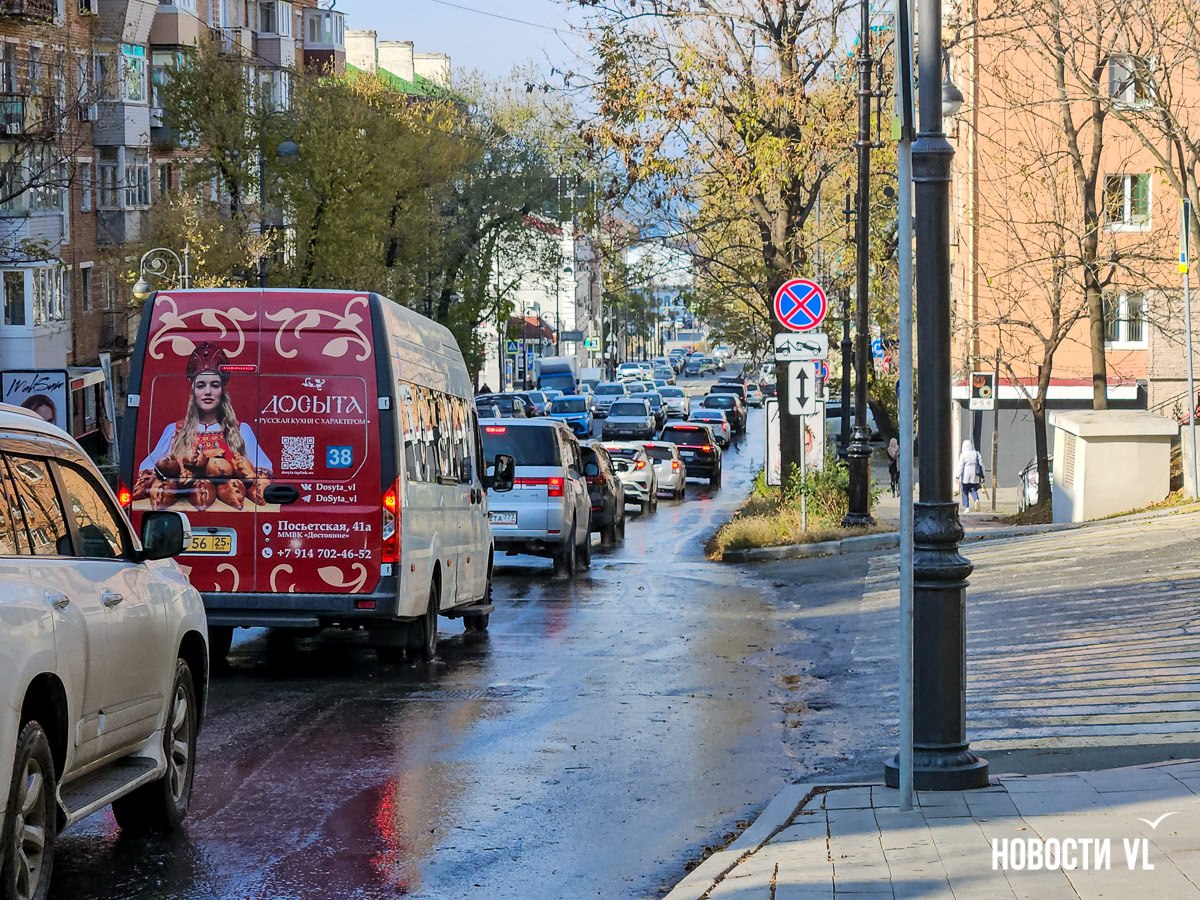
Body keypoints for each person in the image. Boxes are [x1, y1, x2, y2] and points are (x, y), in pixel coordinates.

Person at [134, 342, 272, 510]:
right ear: (193, 391)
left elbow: (263, 469)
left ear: (222, 391)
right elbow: (149, 468)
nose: (208, 392)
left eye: (214, 385)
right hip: (183, 511)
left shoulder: (241, 430)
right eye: (201, 385)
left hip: (230, 513)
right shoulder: (175, 430)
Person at [957, 439, 983, 512]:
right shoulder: (976, 453)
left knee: (964, 491)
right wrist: (983, 475)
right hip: (974, 476)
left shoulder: (963, 455)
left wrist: (957, 476)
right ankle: (976, 499)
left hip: (965, 476)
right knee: (973, 490)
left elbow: (960, 466)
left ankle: (967, 507)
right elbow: (981, 465)